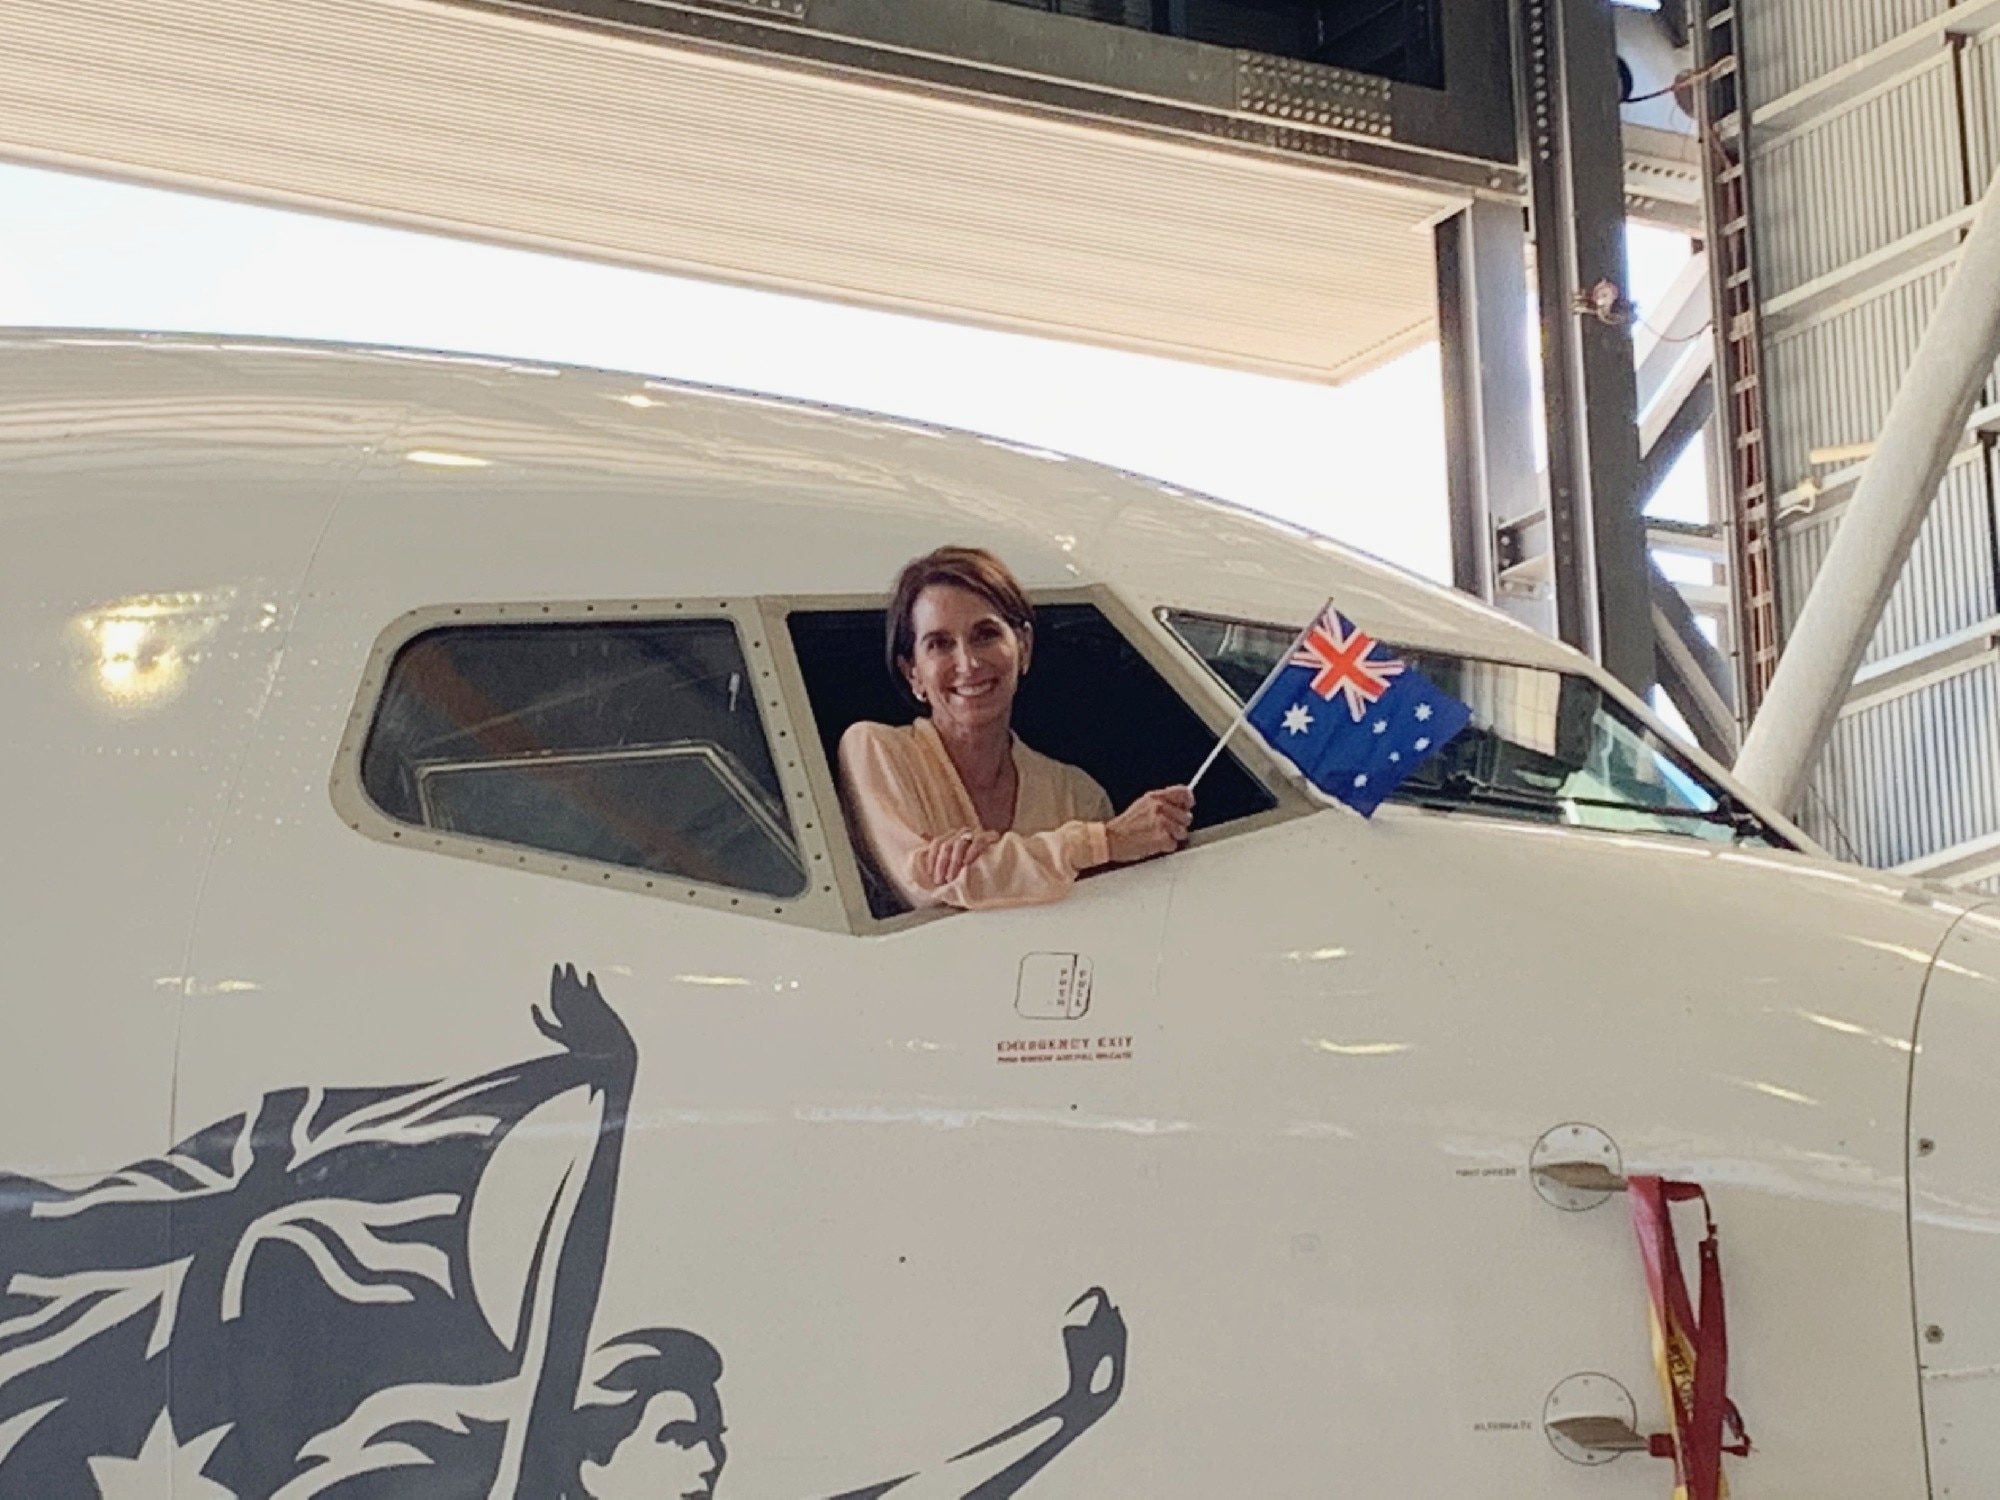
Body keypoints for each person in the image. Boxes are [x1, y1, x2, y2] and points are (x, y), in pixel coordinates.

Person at [838, 546, 1193, 911]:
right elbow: (923, 889)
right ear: (913, 672)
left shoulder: (1076, 795)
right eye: (940, 644)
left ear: (1023, 646)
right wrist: (1103, 842)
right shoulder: (875, 748)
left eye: (985, 634)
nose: (968, 663)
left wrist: (986, 864)